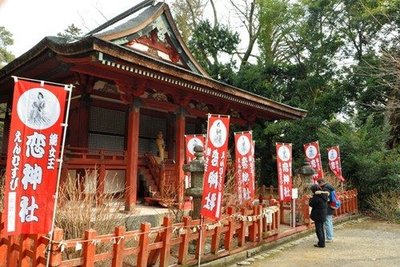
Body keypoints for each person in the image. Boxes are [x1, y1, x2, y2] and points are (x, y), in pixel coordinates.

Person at [309, 184, 328, 248]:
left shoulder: (317, 196)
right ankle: (322, 242)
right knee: (321, 229)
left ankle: (321, 243)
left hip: (318, 215)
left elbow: (311, 204)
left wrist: (311, 198)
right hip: (323, 214)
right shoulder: (324, 195)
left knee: (318, 229)